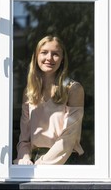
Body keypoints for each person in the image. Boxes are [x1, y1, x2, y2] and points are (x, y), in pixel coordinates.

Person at [13, 35, 85, 165]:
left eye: (55, 54)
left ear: (62, 59)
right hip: (34, 162)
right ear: (36, 57)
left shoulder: (73, 89)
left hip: (64, 161)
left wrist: (41, 164)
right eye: (44, 52)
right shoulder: (29, 92)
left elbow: (69, 137)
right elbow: (25, 136)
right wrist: (23, 159)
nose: (49, 58)